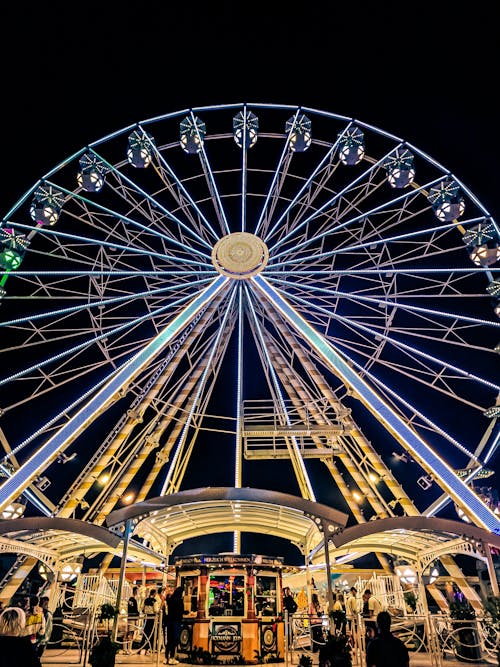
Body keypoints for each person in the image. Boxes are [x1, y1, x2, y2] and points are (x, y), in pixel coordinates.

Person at [165, 586, 185, 665]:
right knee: (175, 640)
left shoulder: (170, 600)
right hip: (176, 622)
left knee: (169, 640)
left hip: (169, 622)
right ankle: (172, 658)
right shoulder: (179, 601)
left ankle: (166, 657)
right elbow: (182, 611)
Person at [125, 586, 140, 654]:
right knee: (130, 632)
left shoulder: (133, 599)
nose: (138, 592)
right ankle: (128, 649)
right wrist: (136, 615)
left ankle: (127, 648)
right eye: (137, 591)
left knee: (130, 632)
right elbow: (132, 609)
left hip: (132, 617)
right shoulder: (132, 599)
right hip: (132, 617)